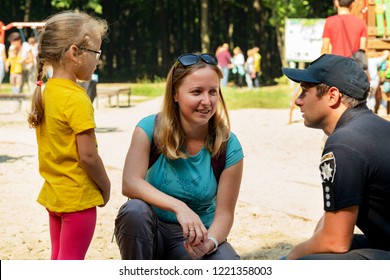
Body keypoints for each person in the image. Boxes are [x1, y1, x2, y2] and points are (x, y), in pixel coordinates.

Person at [114, 52, 244, 260]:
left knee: (228, 263)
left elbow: (225, 214)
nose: (206, 101)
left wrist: (209, 243)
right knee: (134, 211)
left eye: (213, 92)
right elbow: (130, 182)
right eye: (196, 92)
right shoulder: (149, 129)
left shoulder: (228, 145)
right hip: (149, 231)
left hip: (196, 238)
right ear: (175, 94)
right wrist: (178, 207)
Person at [281, 54, 390, 260]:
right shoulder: (374, 127)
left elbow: (335, 241)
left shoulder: (344, 143)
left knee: (304, 263)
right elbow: (335, 217)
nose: (298, 101)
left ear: (332, 96)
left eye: (305, 91)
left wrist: (291, 258)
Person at [27, 10, 111, 260]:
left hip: (54, 194)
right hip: (77, 200)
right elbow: (88, 156)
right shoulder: (76, 98)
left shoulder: (47, 91)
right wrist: (105, 187)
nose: (98, 60)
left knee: (58, 259)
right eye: (96, 53)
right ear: (75, 53)